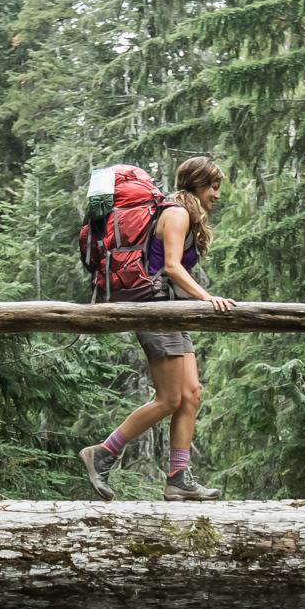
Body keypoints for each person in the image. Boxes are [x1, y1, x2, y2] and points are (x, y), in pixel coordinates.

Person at [78, 156, 236, 502]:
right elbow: (172, 268)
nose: (217, 195)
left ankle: (179, 477)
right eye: (213, 187)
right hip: (154, 308)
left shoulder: (181, 213)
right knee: (169, 399)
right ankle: (103, 452)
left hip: (170, 309)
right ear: (196, 184)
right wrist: (210, 299)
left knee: (191, 394)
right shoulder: (177, 213)